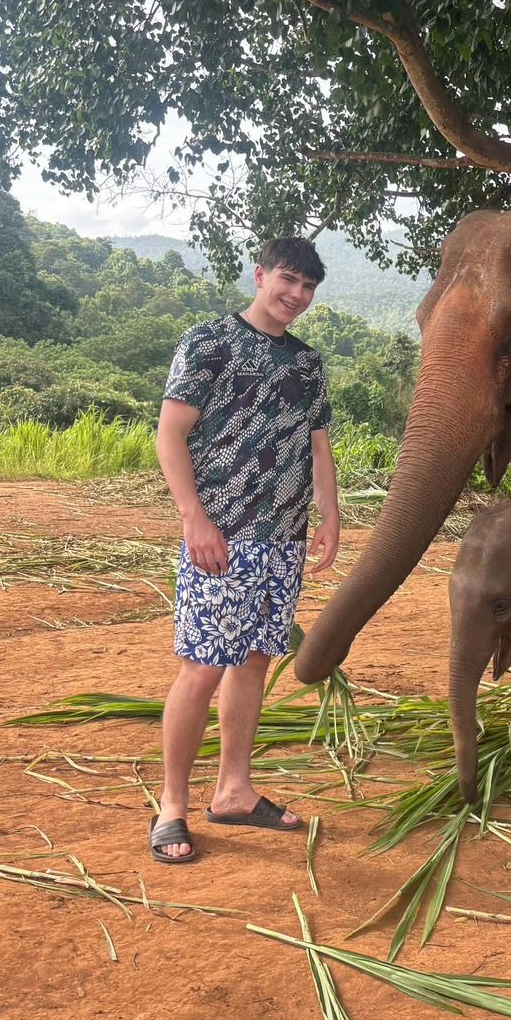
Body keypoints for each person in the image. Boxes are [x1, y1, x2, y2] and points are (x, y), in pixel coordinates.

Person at [147, 237, 340, 863]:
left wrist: (330, 516)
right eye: (288, 280)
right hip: (220, 540)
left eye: (308, 287)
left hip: (281, 540)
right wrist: (193, 519)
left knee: (255, 662)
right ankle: (171, 805)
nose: (297, 296)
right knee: (202, 667)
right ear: (260, 276)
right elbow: (170, 433)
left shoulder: (308, 364)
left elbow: (317, 447)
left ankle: (233, 790)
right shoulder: (209, 342)